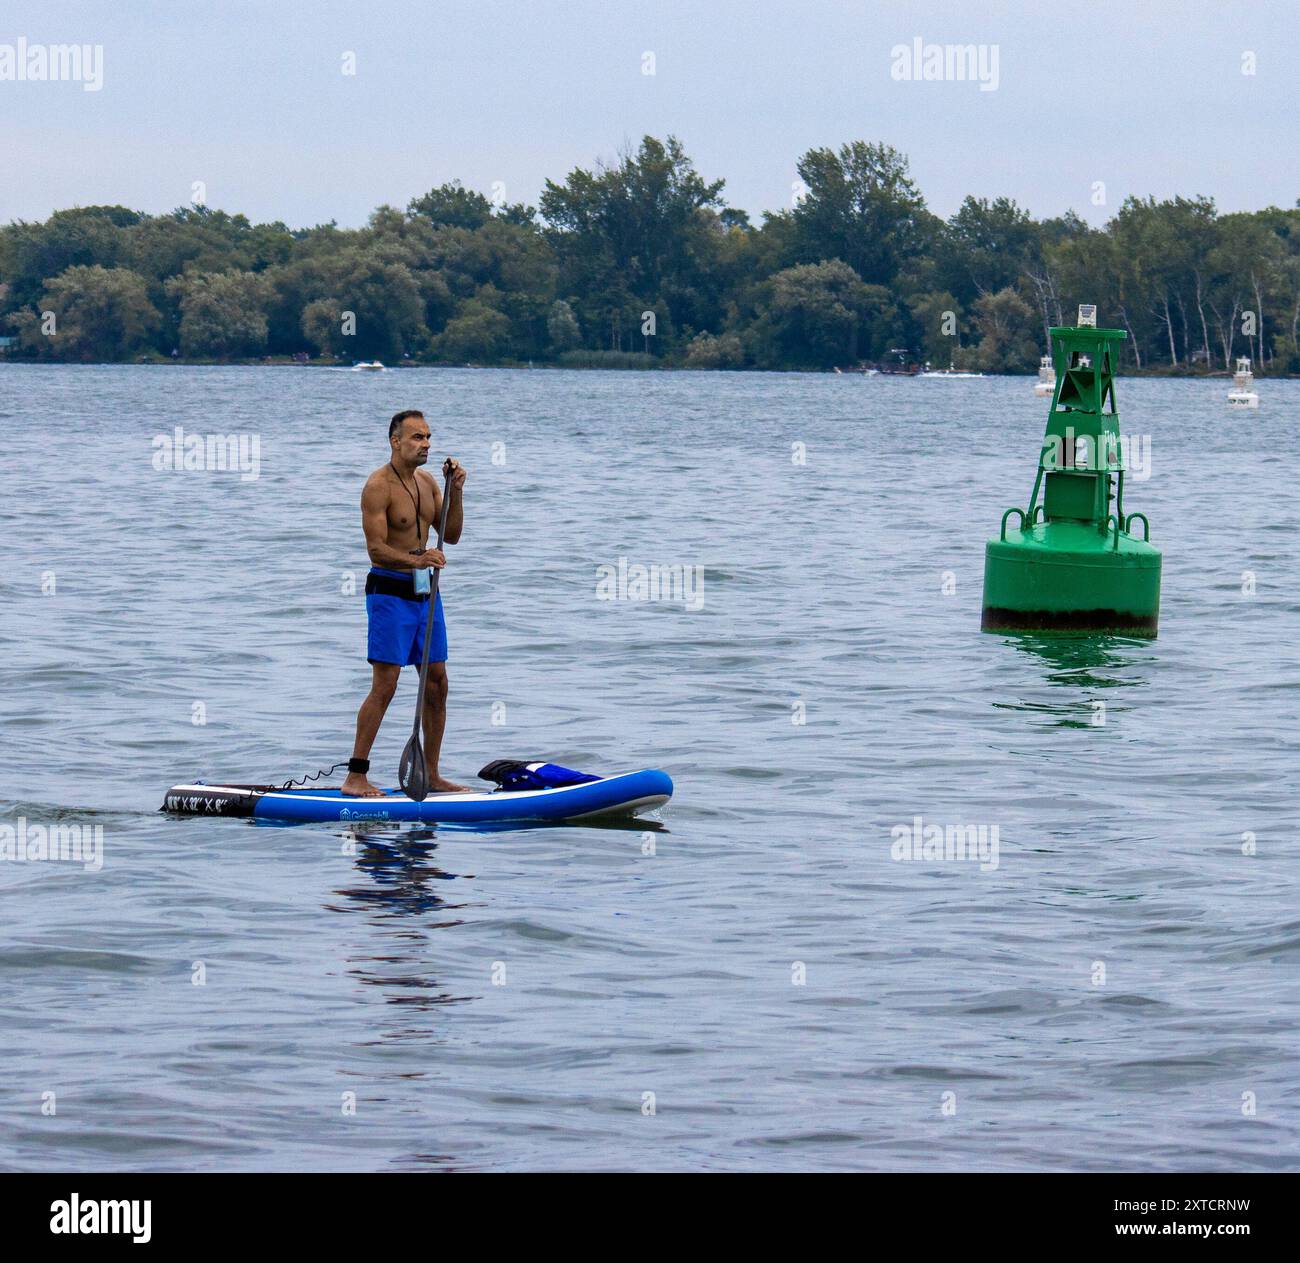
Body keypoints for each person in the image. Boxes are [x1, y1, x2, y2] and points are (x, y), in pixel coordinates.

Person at [340, 409, 467, 797]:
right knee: (386, 684)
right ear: (395, 441)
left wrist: (457, 489)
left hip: (426, 595)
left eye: (428, 437)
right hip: (389, 594)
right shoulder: (377, 486)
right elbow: (376, 550)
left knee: (437, 681)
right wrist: (419, 559)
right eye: (416, 437)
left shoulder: (428, 482)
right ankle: (356, 776)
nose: (425, 444)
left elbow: (452, 534)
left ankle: (430, 773)